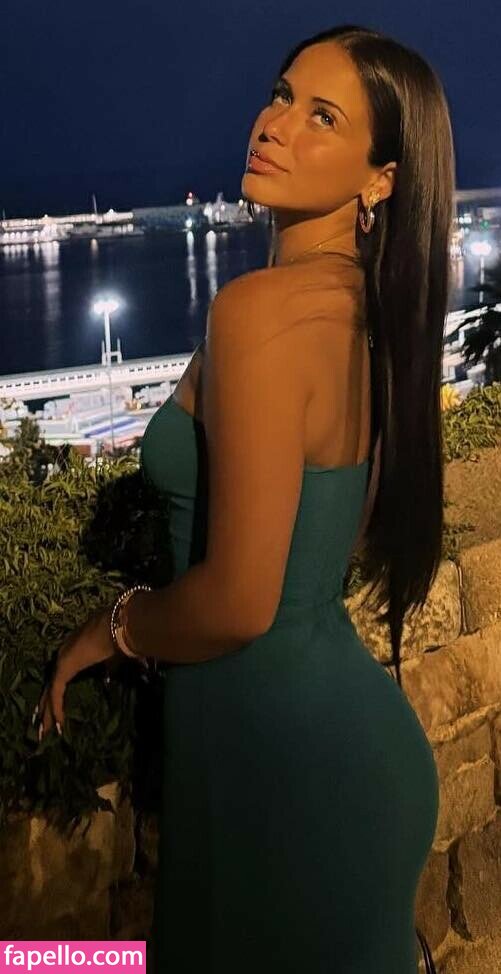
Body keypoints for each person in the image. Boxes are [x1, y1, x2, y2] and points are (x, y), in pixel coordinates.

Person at [35, 22, 455, 974]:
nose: (275, 124)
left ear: (379, 179)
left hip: (280, 765)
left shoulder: (260, 312)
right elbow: (324, 539)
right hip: (322, 743)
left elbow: (238, 602)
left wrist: (109, 628)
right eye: (280, 94)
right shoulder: (364, 312)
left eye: (322, 116)